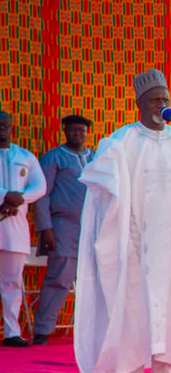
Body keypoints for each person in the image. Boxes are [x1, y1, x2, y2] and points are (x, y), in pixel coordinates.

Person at [74, 69, 171, 373]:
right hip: (137, 250)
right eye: (155, 100)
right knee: (136, 314)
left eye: (165, 100)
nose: (161, 106)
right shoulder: (123, 140)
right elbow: (98, 177)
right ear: (140, 103)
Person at [32, 115, 95, 345]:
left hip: (92, 228)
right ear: (65, 131)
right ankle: (42, 330)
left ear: (88, 132)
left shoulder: (95, 157)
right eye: (73, 129)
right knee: (59, 279)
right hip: (63, 227)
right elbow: (41, 194)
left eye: (82, 129)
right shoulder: (54, 157)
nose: (77, 133)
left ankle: (90, 332)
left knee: (94, 281)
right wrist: (45, 228)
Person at [0, 111, 46, 347]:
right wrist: (5, 196)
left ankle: (11, 333)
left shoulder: (25, 156)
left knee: (12, 283)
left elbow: (40, 186)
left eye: (5, 124)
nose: (2, 128)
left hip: (14, 231)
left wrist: (20, 198)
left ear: (11, 127)